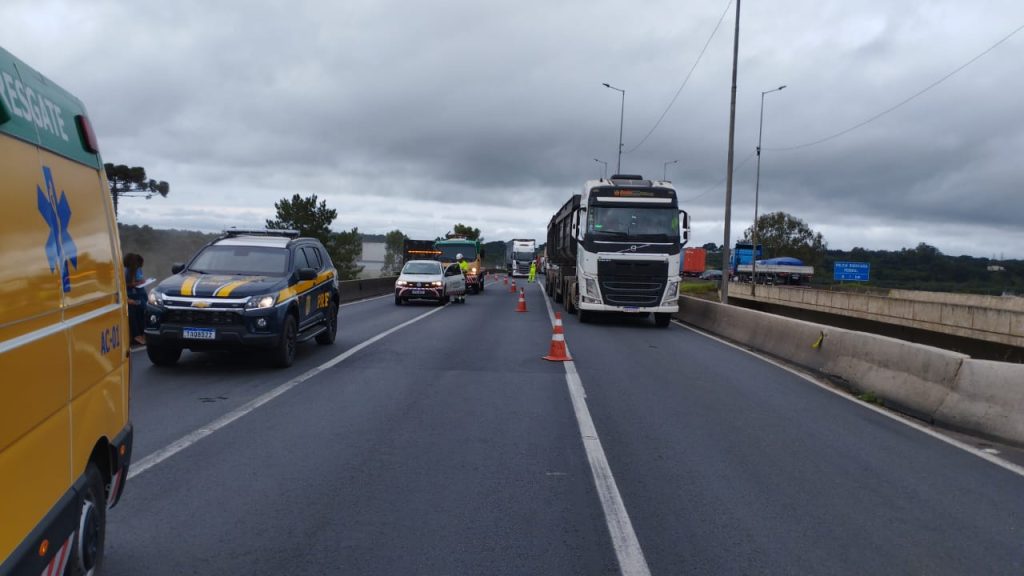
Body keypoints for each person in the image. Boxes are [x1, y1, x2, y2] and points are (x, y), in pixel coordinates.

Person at [124, 252, 147, 345]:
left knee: (143, 309)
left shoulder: (136, 270)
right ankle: (138, 335)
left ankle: (142, 333)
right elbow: (128, 284)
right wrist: (138, 283)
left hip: (138, 294)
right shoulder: (128, 271)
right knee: (139, 309)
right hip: (132, 295)